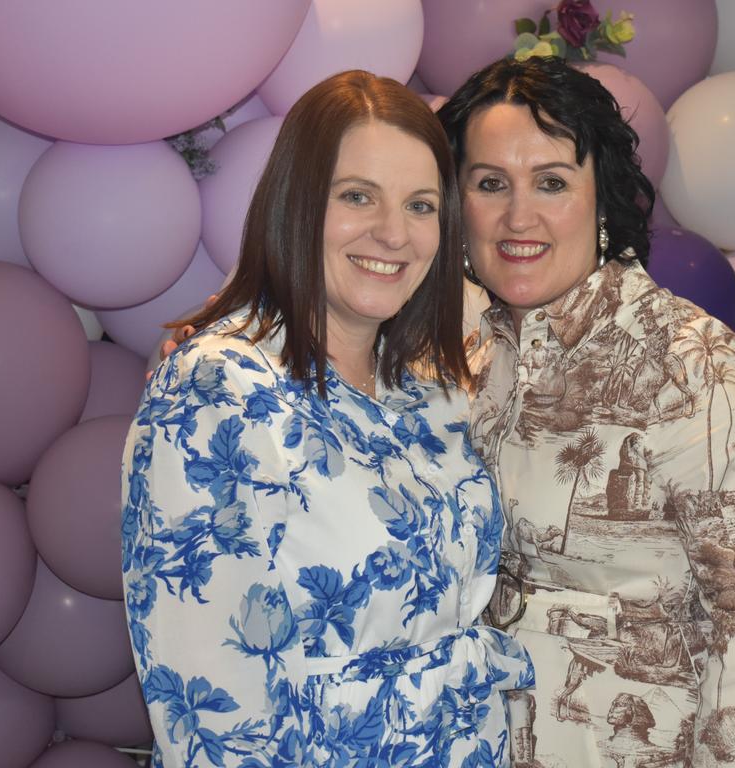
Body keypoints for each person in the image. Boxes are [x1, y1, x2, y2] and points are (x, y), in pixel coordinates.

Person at [121, 70, 533, 768]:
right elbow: (212, 714)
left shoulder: (427, 391)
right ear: (298, 202)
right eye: (357, 197)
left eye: (422, 205)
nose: (393, 233)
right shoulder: (220, 391)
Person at [436, 57, 735, 768]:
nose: (519, 216)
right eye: (490, 184)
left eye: (552, 182)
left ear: (601, 198)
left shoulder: (691, 364)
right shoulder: (467, 356)